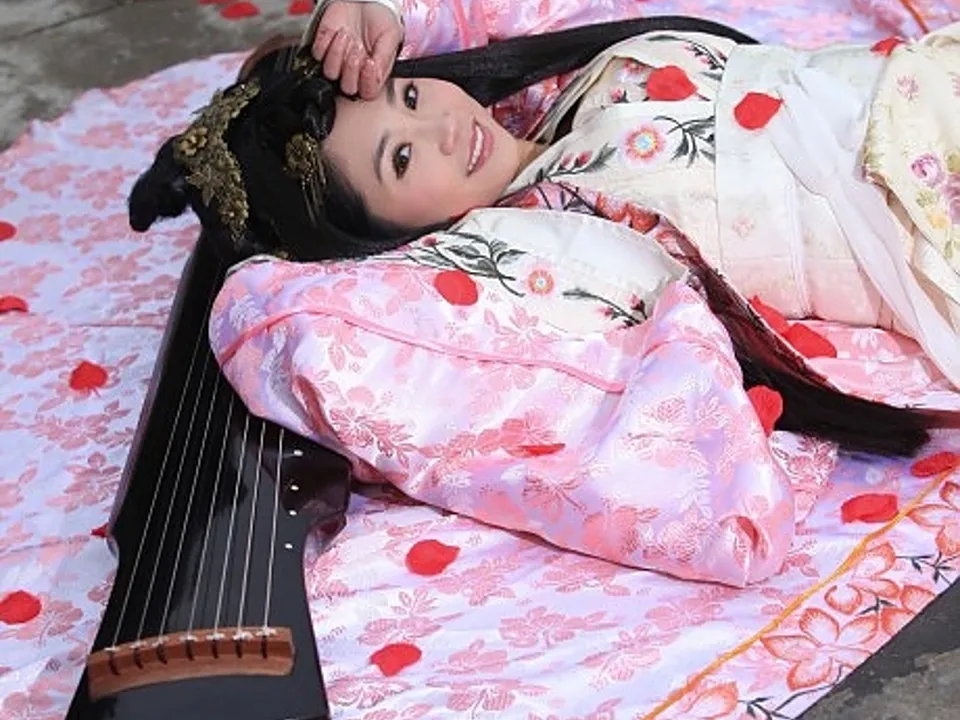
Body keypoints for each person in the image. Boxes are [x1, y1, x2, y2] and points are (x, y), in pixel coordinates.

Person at [127, 0, 960, 586]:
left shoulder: (565, 89)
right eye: (402, 160)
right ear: (380, 241)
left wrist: (384, 9)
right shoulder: (551, 244)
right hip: (925, 211)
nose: (441, 126)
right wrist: (260, 255)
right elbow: (299, 326)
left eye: (409, 94)